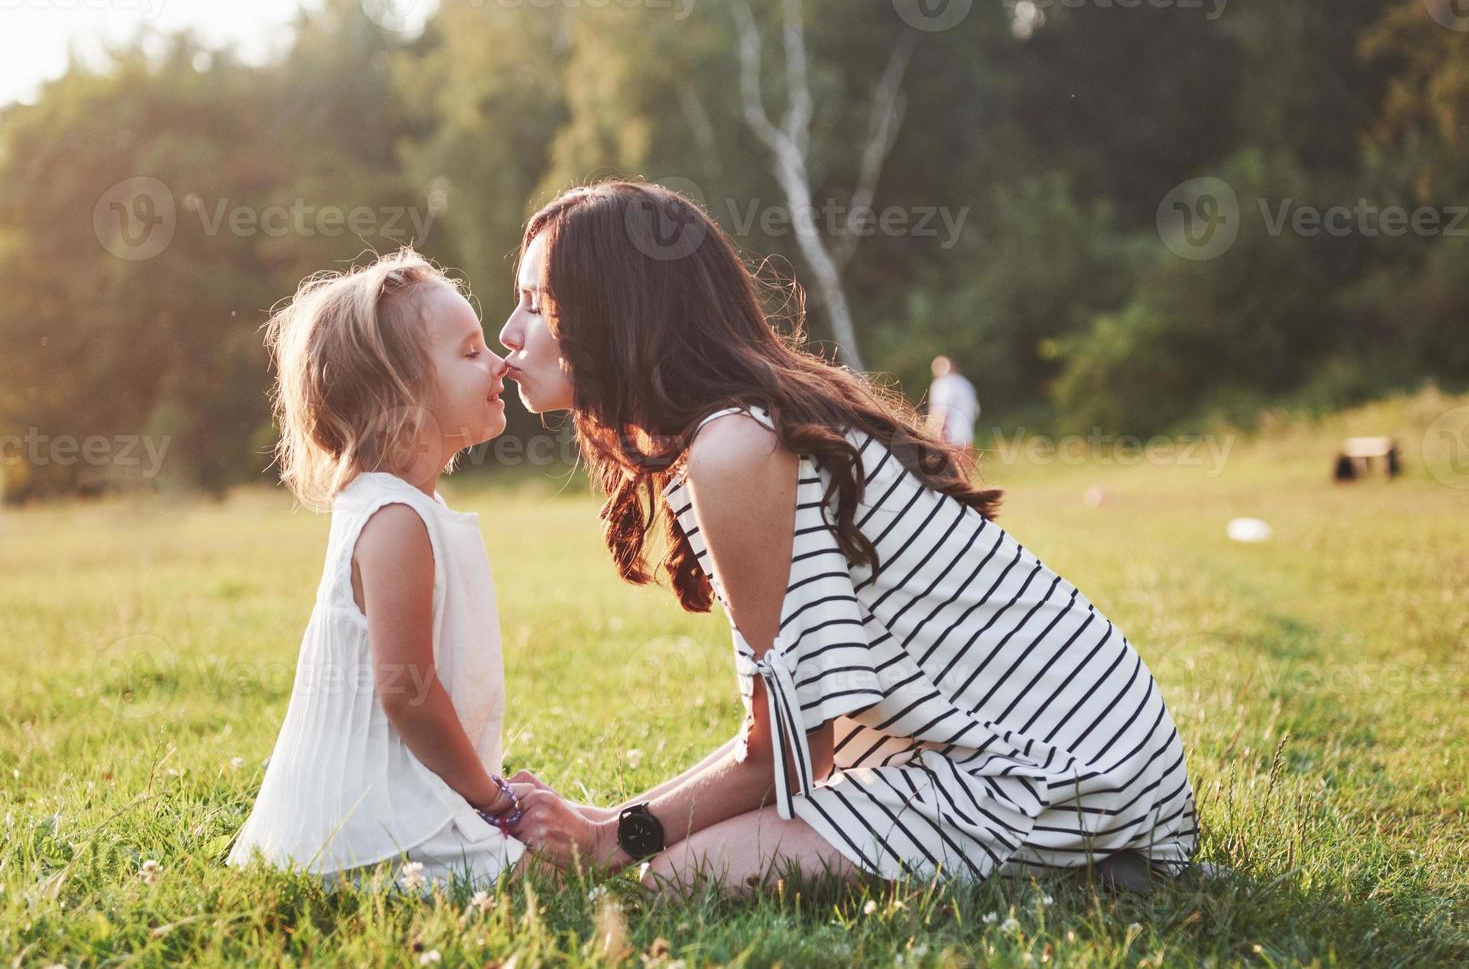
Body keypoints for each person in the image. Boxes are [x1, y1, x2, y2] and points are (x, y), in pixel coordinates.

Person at [496, 182, 1201, 895]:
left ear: (616, 309)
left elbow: (786, 753)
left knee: (676, 880)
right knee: (684, 861)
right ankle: (1087, 861)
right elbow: (792, 746)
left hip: (1066, 775)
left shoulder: (734, 446)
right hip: (1073, 755)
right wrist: (613, 823)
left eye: (535, 302)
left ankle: (1082, 860)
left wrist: (609, 839)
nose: (508, 333)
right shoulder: (738, 424)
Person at [226, 249, 528, 895]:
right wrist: (495, 801)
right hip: (364, 837)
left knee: (571, 840)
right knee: (567, 866)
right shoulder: (393, 519)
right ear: (402, 392)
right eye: (471, 353)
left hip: (390, 811)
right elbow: (407, 693)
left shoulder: (409, 507)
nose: (498, 362)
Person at [927, 354, 979, 450]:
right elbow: (975, 410)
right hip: (966, 435)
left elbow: (942, 411)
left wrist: (935, 434)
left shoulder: (943, 384)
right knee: (966, 464)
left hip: (948, 438)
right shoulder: (965, 383)